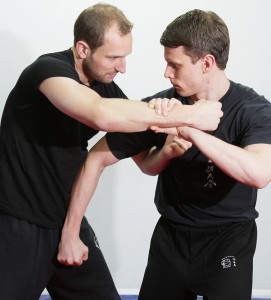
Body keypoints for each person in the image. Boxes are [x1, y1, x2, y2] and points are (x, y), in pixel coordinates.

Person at [0, 4, 223, 300]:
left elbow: (145, 162)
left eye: (125, 57)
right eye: (114, 57)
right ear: (82, 48)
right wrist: (190, 114)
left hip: (69, 222)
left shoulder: (108, 88)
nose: (122, 67)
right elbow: (99, 114)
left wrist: (167, 151)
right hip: (17, 223)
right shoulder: (48, 71)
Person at [58, 9, 271, 300]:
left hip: (229, 242)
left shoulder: (253, 110)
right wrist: (70, 233)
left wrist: (189, 127)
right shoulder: (162, 107)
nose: (166, 73)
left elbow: (259, 173)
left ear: (207, 63)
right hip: (171, 239)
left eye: (175, 65)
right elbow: (97, 158)